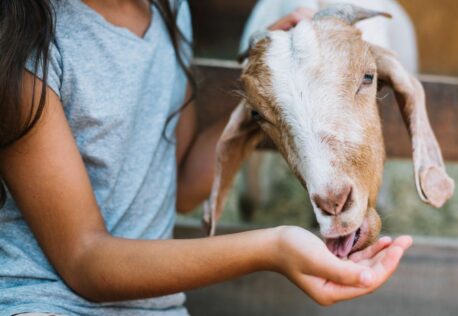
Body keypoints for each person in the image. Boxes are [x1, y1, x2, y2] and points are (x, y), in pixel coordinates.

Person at [0, 1, 412, 315]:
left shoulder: (167, 8)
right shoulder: (23, 46)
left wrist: (274, 87)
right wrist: (273, 248)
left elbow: (178, 185)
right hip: (44, 302)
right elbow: (84, 260)